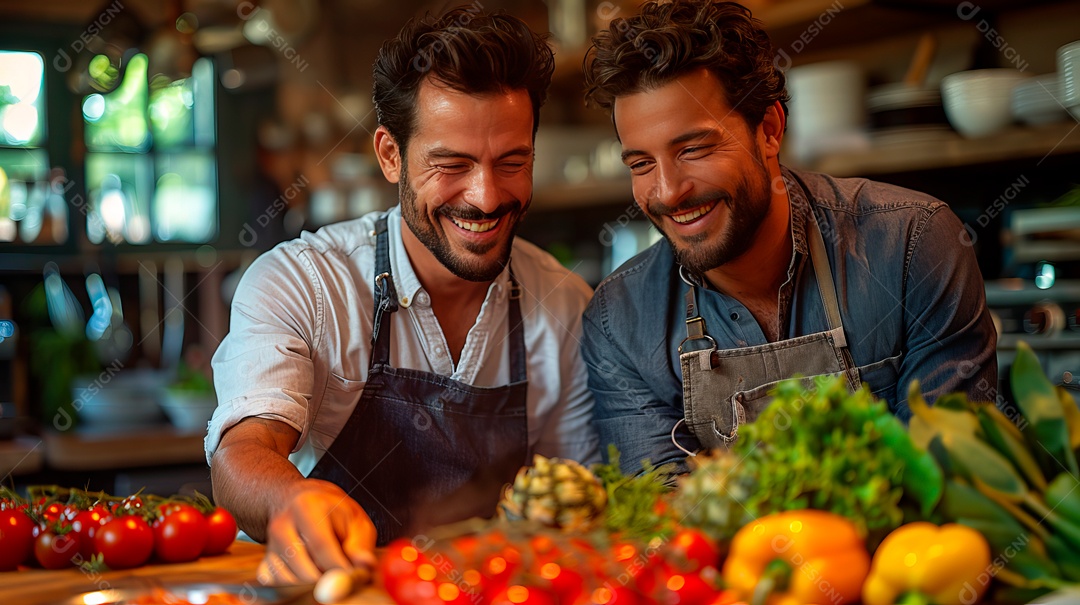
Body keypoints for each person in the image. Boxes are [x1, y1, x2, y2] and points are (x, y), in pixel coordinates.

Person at [206, 7, 599, 584]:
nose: (486, 197)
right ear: (390, 155)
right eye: (452, 165)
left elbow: (575, 511)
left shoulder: (564, 305)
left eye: (512, 162)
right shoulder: (305, 283)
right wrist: (290, 500)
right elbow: (241, 454)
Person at [580, 0, 997, 475]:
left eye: (694, 149)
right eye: (641, 164)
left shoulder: (910, 243)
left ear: (770, 130)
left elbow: (949, 475)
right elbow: (666, 525)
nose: (669, 191)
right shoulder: (621, 321)